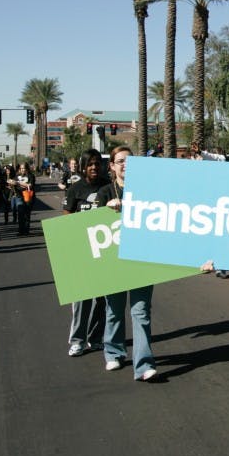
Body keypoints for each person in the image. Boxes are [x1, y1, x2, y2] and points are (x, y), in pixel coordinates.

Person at [96, 146, 157, 381]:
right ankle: (113, 352)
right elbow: (91, 226)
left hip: (141, 260)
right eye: (120, 161)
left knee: (141, 312)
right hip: (114, 262)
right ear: (112, 166)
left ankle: (143, 365)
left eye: (129, 161)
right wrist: (106, 210)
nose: (125, 165)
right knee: (114, 310)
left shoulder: (147, 191)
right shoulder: (104, 192)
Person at [63, 149, 110, 357]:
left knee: (103, 299)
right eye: (90, 164)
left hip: (105, 250)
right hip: (82, 250)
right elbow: (67, 217)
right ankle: (78, 340)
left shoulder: (109, 186)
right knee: (81, 299)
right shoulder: (75, 189)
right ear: (83, 166)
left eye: (97, 163)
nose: (94, 167)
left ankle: (96, 338)